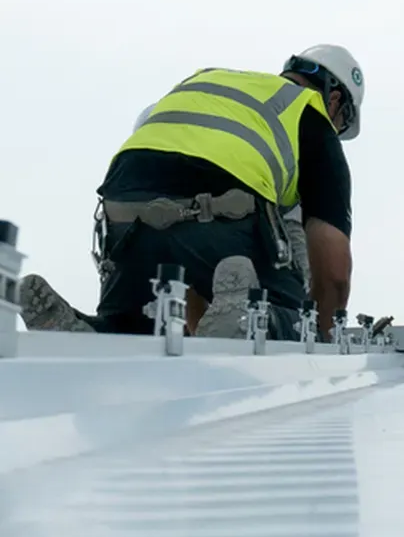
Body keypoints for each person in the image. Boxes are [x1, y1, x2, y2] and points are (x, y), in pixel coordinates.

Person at [17, 45, 363, 342]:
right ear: (334, 99)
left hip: (124, 205)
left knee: (136, 329)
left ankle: (97, 335)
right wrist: (320, 336)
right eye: (343, 121)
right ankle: (253, 320)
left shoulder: (212, 82)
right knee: (284, 314)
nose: (337, 129)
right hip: (222, 207)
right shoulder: (308, 112)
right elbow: (333, 272)